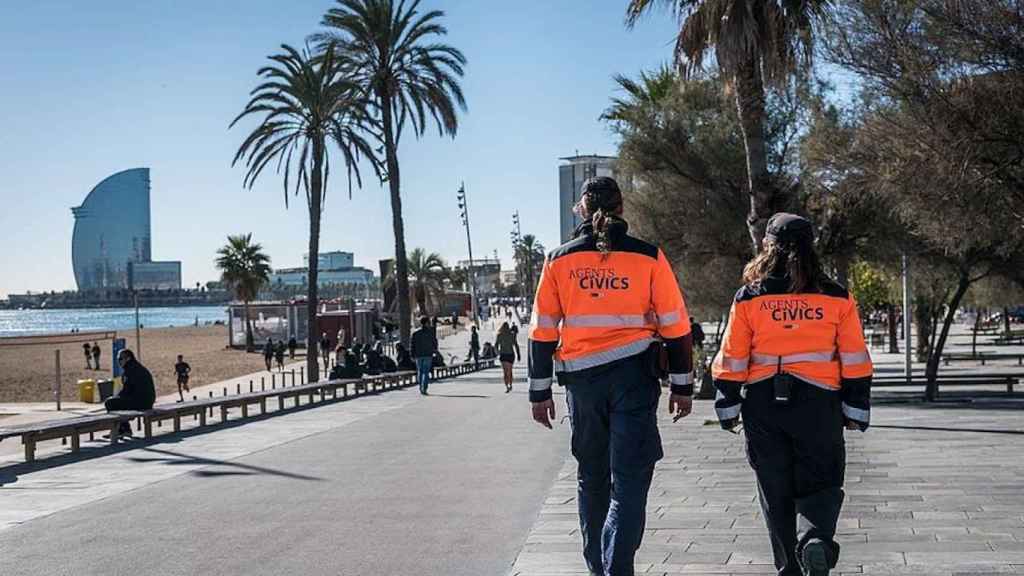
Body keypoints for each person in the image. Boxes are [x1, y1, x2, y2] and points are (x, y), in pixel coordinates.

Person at [528, 176, 695, 576]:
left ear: (582, 210)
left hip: (583, 384)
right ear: (622, 208)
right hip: (634, 378)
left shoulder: (559, 260)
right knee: (631, 476)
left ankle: (598, 568)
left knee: (593, 476)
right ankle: (617, 565)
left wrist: (539, 393)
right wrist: (683, 386)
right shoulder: (649, 256)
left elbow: (543, 329)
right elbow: (676, 324)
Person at [711, 213, 872, 576]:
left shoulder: (749, 296)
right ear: (811, 247)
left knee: (775, 491)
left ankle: (789, 568)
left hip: (764, 405)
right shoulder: (836, 296)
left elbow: (733, 353)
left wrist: (727, 402)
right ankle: (815, 539)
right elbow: (854, 355)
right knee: (823, 481)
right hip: (819, 405)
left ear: (768, 246)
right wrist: (856, 406)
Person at [104, 349, 156, 437]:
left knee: (110, 403)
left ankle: (122, 429)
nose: (118, 361)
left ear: (128, 359)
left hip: (141, 402)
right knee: (116, 402)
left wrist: (115, 398)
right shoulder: (136, 367)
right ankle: (122, 429)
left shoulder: (130, 370)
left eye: (120, 359)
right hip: (147, 401)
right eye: (118, 359)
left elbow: (126, 391)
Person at [411, 316, 437, 395]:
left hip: (418, 355)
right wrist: (434, 350)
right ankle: (424, 387)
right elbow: (434, 342)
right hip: (428, 354)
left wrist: (412, 354)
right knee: (426, 372)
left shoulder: (415, 333)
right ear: (426, 323)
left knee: (420, 371)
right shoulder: (430, 333)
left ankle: (420, 386)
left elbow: (412, 344)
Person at [495, 322, 520, 393]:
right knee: (509, 371)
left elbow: (496, 345)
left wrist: (497, 352)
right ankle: (510, 384)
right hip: (510, 354)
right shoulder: (511, 335)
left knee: (505, 372)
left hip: (503, 354)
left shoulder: (499, 335)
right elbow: (516, 345)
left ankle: (507, 386)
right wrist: (518, 355)